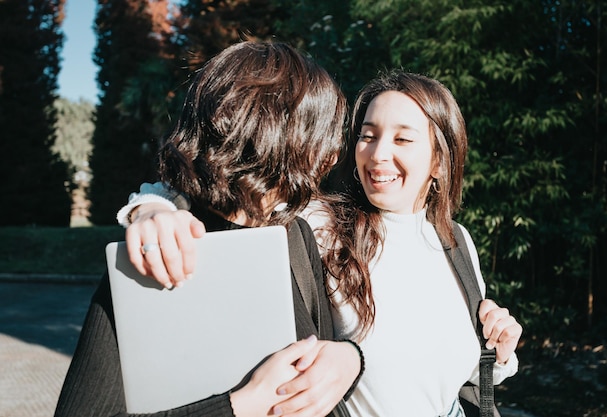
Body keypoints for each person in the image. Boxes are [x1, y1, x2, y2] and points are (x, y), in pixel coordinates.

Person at [117, 71, 523, 416]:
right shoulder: (321, 222)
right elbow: (222, 191)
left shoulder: (456, 241)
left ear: (439, 160)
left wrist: (497, 354)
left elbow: (450, 377)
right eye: (368, 135)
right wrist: (154, 209)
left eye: (402, 140)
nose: (378, 154)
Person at [54, 41, 364, 417]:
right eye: (321, 136)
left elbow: (319, 361)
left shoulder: (295, 235)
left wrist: (349, 359)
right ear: (275, 134)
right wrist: (240, 405)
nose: (331, 158)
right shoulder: (160, 248)